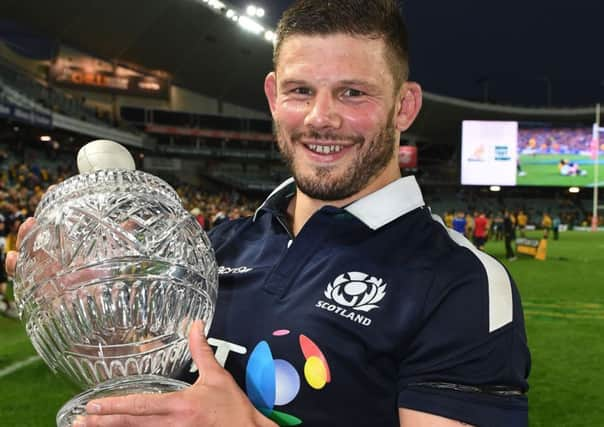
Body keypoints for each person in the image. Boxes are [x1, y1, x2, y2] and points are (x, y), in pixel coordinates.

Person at [6, 1, 530, 426]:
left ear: (405, 106)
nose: (322, 118)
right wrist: (93, 307)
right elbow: (167, 379)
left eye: (353, 93)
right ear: (274, 96)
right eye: (301, 91)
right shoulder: (217, 245)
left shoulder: (462, 285)